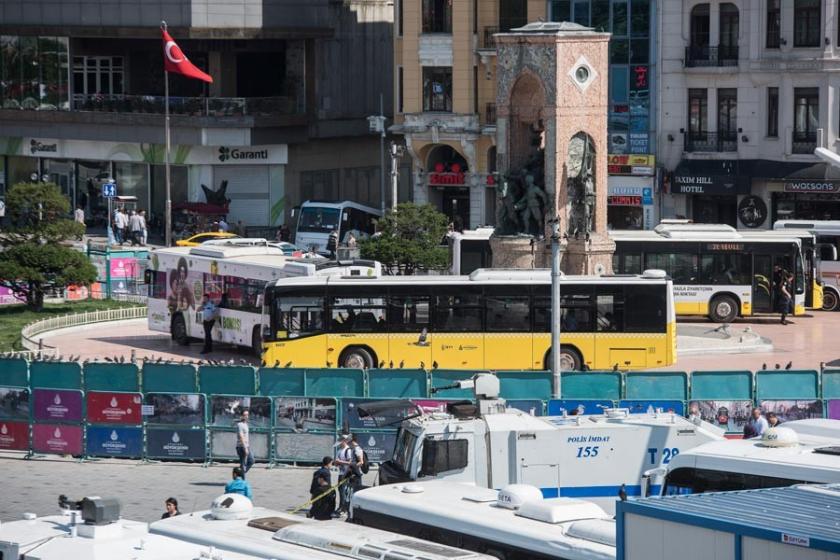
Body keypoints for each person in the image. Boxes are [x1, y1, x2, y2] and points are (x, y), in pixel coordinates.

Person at [309, 456, 336, 520]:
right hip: (323, 495)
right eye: (331, 464)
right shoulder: (327, 472)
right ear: (328, 463)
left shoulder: (317, 472)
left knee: (316, 509)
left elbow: (313, 484)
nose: (331, 465)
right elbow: (327, 486)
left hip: (316, 493)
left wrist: (312, 494)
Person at [334, 435, 354, 514]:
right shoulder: (339, 450)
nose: (339, 444)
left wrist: (340, 462)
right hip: (341, 473)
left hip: (346, 474)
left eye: (340, 442)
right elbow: (336, 463)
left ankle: (344, 508)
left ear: (344, 441)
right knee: (340, 490)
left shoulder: (348, 450)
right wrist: (336, 463)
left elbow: (350, 462)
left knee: (343, 490)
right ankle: (341, 506)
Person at [236, 409, 254, 479]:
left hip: (246, 446)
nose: (246, 416)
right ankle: (242, 480)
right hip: (241, 446)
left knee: (251, 460)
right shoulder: (240, 425)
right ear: (241, 416)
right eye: (244, 415)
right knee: (243, 463)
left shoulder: (245, 424)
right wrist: (245, 447)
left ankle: (239, 474)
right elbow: (241, 436)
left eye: (247, 415)